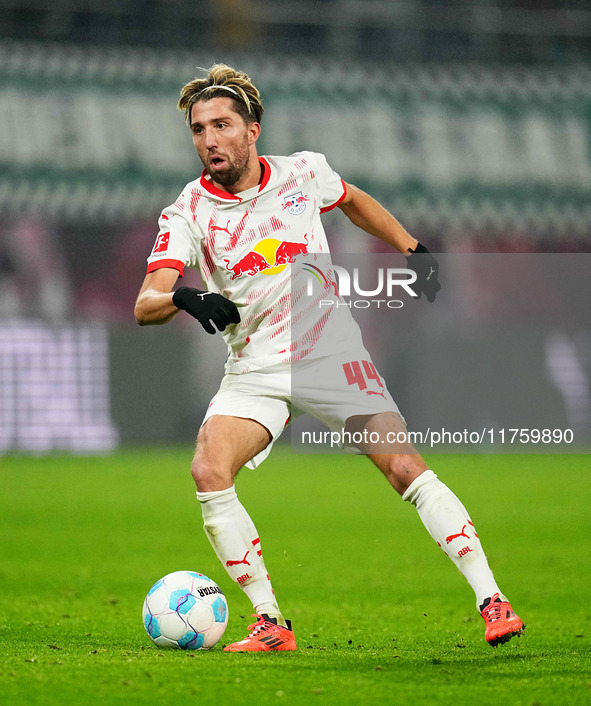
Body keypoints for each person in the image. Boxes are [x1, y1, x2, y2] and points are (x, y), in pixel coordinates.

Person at [134, 64, 524, 652]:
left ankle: (492, 599)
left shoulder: (303, 172)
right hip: (254, 370)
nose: (208, 140)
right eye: (197, 129)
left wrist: (412, 248)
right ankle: (270, 623)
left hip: (329, 356)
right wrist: (184, 296)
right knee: (208, 472)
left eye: (221, 124)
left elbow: (353, 200)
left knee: (404, 469)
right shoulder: (188, 211)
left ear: (253, 129)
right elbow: (146, 303)